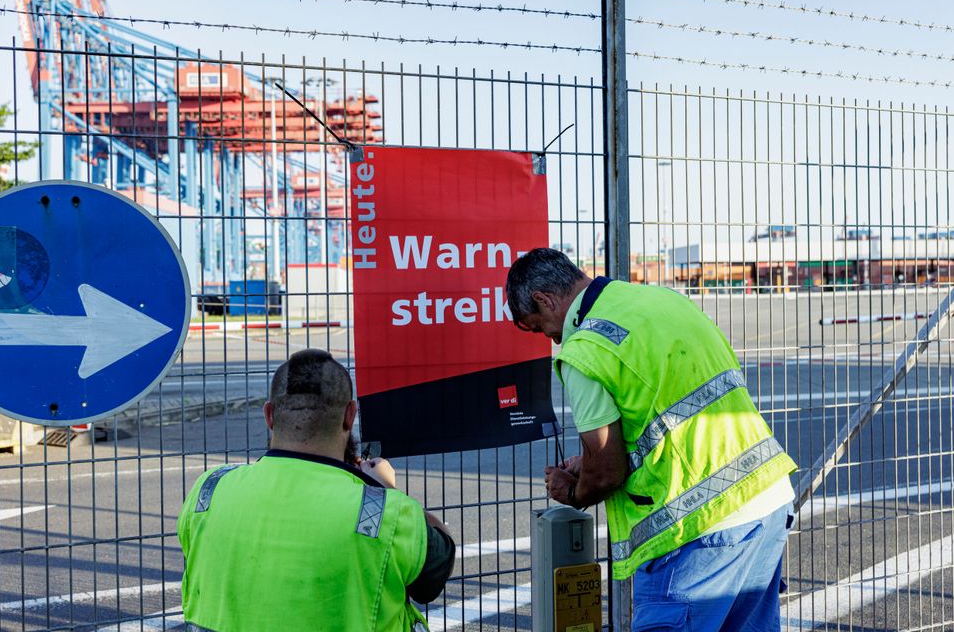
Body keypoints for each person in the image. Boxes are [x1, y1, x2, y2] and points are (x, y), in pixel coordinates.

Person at [506, 248, 797, 632]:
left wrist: (573, 491)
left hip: (697, 532)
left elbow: (607, 472)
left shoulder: (584, 352)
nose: (550, 337)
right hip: (766, 501)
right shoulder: (662, 300)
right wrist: (590, 460)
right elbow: (667, 412)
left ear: (545, 300)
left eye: (538, 325)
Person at [177, 349, 455, 632]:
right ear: (350, 416)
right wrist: (384, 489)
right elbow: (433, 576)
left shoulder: (209, 489)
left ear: (269, 415)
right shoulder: (386, 512)